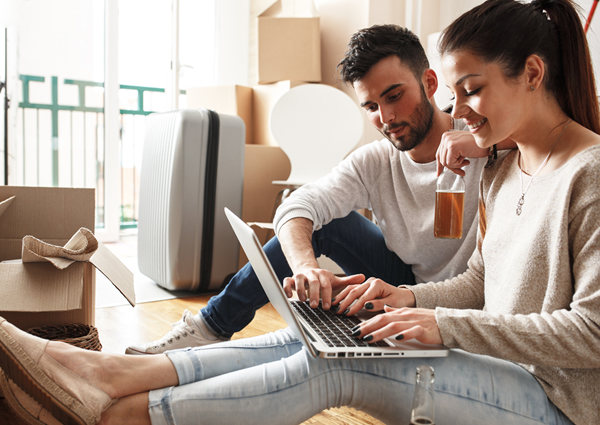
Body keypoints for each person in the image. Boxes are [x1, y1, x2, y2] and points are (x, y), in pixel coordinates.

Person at [2, 1, 598, 424]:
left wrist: (440, 324)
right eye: (458, 94)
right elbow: (482, 282)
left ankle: (118, 417)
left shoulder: (585, 173)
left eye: (471, 90)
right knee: (315, 340)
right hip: (492, 356)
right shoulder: (507, 165)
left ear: (534, 73)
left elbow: (593, 336)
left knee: (341, 369)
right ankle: (105, 376)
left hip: (551, 399)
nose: (459, 108)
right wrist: (408, 300)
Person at [126, 23, 508, 355]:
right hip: (406, 283)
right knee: (324, 223)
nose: (386, 118)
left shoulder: (486, 131)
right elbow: (299, 204)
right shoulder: (375, 160)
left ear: (428, 82)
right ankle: (210, 328)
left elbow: (548, 130)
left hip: (466, 298)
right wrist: (306, 268)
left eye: (394, 96)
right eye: (371, 106)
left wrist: (487, 141)